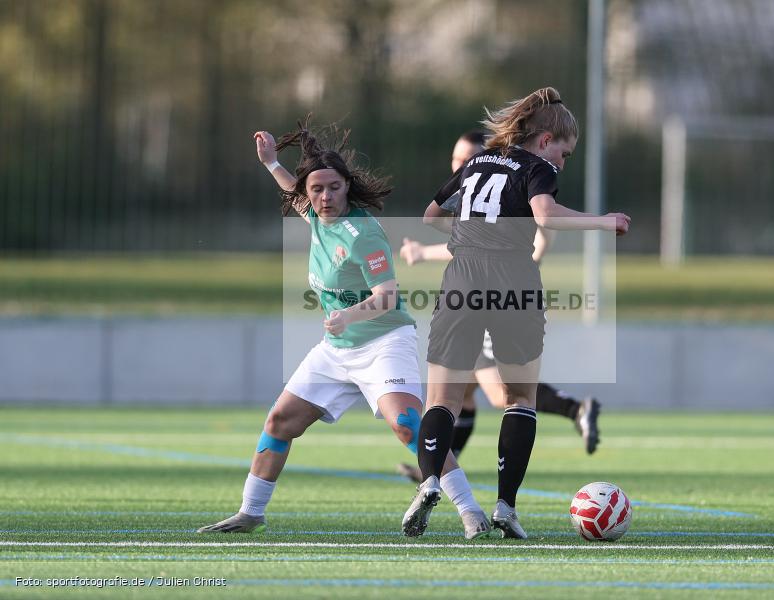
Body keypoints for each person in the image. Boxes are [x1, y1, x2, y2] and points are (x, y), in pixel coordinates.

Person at [197, 118, 491, 540]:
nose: (325, 196)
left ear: (346, 187)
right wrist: (270, 163)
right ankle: (250, 512)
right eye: (316, 189)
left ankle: (470, 511)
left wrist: (348, 316)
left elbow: (387, 296)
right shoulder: (315, 214)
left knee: (408, 423)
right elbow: (290, 188)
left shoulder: (363, 234)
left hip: (384, 341)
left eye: (333, 187)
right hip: (336, 349)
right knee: (279, 422)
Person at [402, 88, 630, 539]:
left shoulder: (476, 162)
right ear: (545, 140)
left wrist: (474, 230)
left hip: (462, 278)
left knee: (441, 399)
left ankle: (429, 482)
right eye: (565, 152)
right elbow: (545, 217)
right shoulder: (536, 167)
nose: (563, 163)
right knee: (519, 398)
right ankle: (506, 507)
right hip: (514, 280)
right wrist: (605, 221)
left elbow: (431, 214)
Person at [395, 130, 601, 486]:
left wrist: (422, 253)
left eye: (465, 160)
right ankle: (439, 467)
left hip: (501, 302)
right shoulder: (497, 189)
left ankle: (574, 409)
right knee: (467, 395)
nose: (459, 167)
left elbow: (496, 242)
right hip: (488, 296)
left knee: (499, 393)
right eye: (455, 161)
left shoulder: (509, 184)